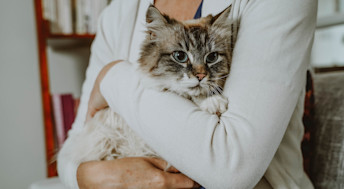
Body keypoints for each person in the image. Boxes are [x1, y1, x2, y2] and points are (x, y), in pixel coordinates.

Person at [57, 0, 317, 188]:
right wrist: (83, 177)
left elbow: (231, 170)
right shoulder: (118, 13)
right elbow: (74, 147)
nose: (200, 73)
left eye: (211, 59)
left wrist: (112, 76)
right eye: (180, 56)